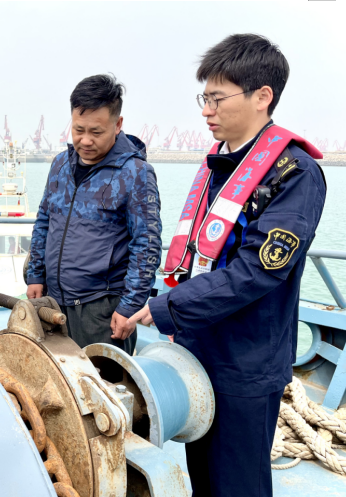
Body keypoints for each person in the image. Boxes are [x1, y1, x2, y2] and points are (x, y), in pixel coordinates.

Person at [128, 34, 326, 496]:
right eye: (204, 98)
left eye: (217, 98)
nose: (206, 110)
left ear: (262, 96)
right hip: (197, 349)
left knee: (238, 484)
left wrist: (168, 307)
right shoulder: (220, 166)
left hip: (246, 363)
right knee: (203, 477)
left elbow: (258, 270)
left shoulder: (294, 173)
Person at [26, 74, 162, 354]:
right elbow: (44, 222)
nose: (85, 140)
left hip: (101, 311)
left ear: (118, 124)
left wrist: (129, 306)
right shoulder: (60, 164)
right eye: (78, 130)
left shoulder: (136, 173)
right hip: (53, 303)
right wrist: (35, 275)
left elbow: (146, 244)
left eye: (96, 132)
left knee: (100, 381)